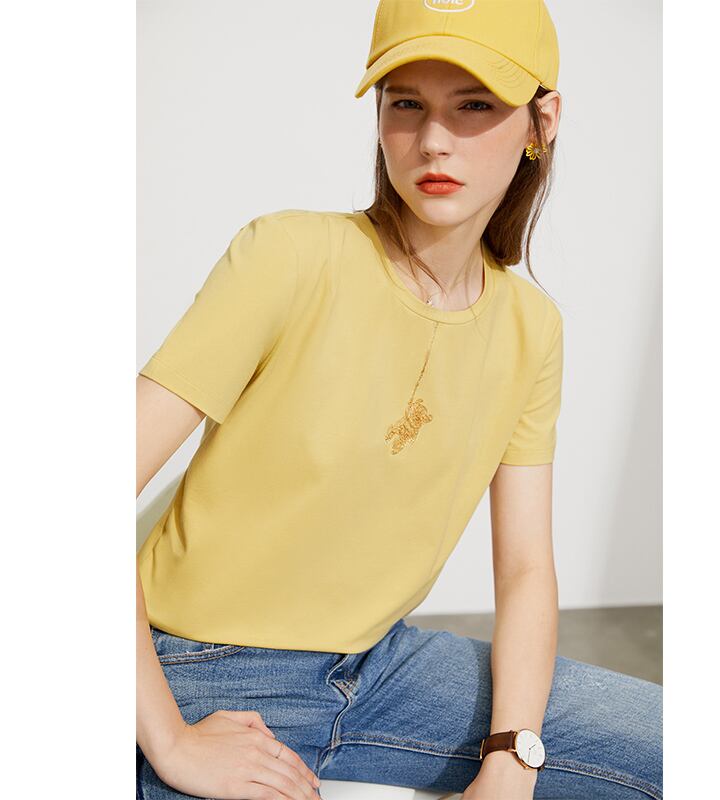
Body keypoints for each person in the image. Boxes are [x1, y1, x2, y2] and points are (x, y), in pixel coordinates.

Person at [136, 0, 663, 798]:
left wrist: (510, 755)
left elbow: (526, 569)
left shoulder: (531, 327)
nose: (433, 141)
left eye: (474, 105)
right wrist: (172, 743)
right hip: (208, 666)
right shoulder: (289, 255)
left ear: (542, 122)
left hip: (383, 668)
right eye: (406, 103)